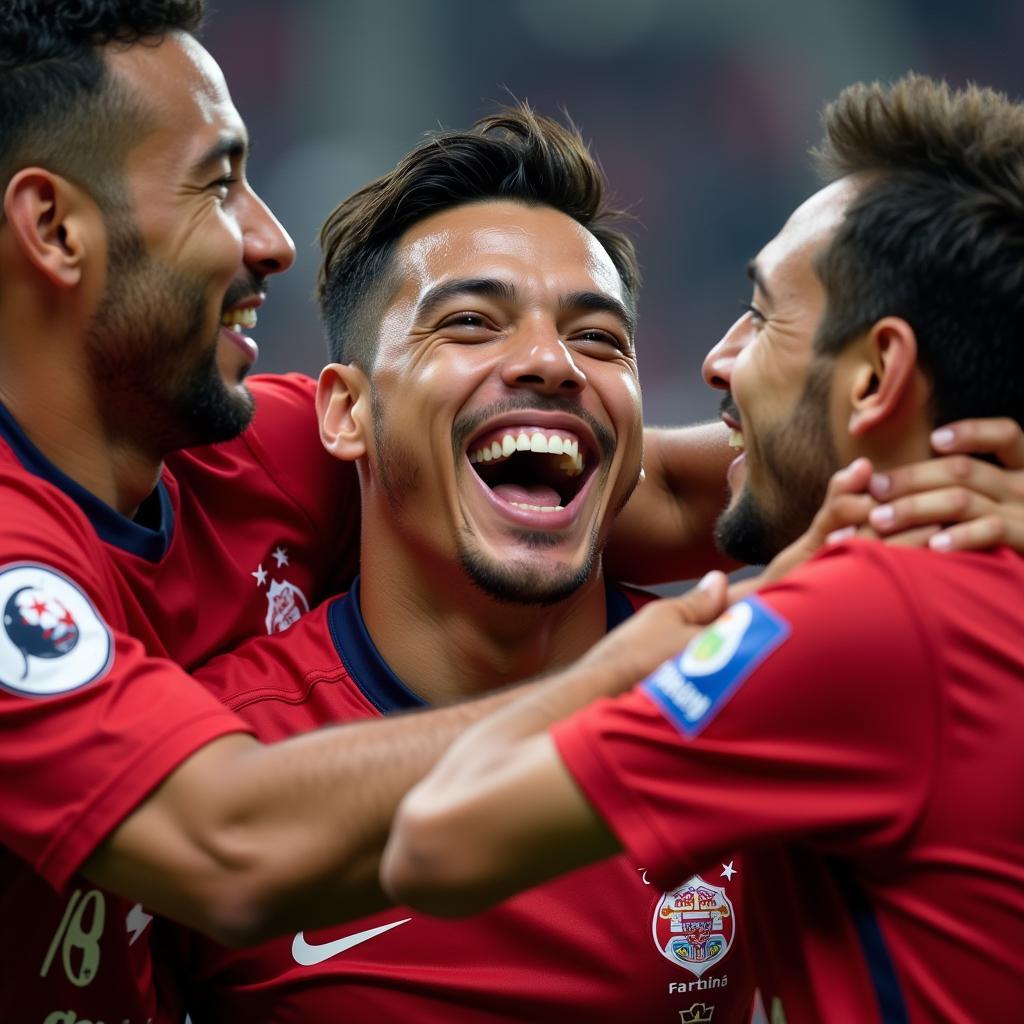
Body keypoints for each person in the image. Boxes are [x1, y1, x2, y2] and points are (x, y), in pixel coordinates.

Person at [382, 75, 1024, 1022]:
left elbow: (433, 844)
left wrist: (656, 644)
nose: (720, 359)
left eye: (764, 316)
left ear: (878, 373)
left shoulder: (864, 614)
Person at [154, 106, 756, 1023]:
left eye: (599, 338)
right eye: (472, 322)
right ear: (346, 414)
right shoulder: (216, 765)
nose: (552, 362)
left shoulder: (756, 706)